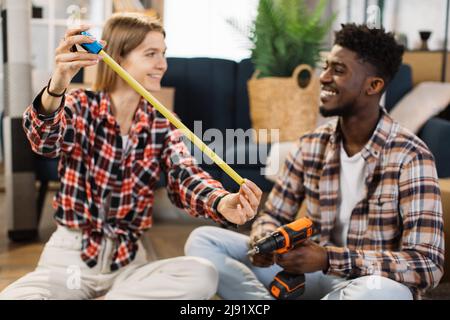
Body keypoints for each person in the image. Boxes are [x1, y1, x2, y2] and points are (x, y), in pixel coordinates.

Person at [0, 12, 262, 300]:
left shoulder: (163, 121)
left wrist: (222, 201)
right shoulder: (80, 104)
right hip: (71, 264)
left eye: (163, 54)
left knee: (202, 273)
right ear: (119, 58)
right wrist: (57, 86)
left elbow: (185, 175)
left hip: (128, 267)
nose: (163, 65)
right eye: (151, 54)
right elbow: (44, 142)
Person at [185, 23, 444, 300]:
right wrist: (265, 240)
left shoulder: (410, 155)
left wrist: (328, 259)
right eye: (326, 66)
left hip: (366, 283)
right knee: (204, 241)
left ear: (374, 85)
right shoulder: (311, 144)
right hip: (308, 277)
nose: (324, 77)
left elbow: (427, 264)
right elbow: (274, 215)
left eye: (339, 70)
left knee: (384, 293)